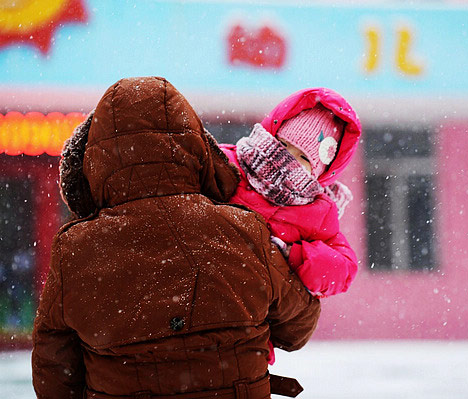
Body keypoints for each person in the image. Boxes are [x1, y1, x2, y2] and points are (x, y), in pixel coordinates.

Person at [31, 76, 320, 399]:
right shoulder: (243, 230)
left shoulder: (76, 250)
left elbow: (54, 368)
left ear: (95, 163)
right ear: (196, 149)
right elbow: (298, 326)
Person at [220, 87, 362, 300]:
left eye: (303, 158)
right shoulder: (231, 163)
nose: (287, 158)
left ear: (320, 173)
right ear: (271, 136)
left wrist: (294, 255)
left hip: (249, 304)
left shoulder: (317, 211)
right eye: (283, 145)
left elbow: (343, 269)